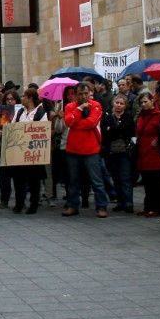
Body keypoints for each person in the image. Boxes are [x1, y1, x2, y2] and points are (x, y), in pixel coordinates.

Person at [62, 82, 109, 218]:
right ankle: (72, 205)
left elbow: (92, 123)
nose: (84, 96)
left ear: (90, 93)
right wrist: (80, 109)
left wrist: (77, 124)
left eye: (86, 93)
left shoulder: (96, 105)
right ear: (76, 95)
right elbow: (69, 122)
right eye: (81, 94)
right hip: (74, 149)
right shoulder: (70, 106)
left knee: (96, 180)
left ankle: (101, 206)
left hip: (91, 149)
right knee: (73, 181)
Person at [9, 87, 48, 213]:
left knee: (34, 180)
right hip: (21, 150)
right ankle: (19, 203)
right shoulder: (20, 111)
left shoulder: (41, 112)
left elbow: (42, 129)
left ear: (30, 98)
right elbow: (13, 125)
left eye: (24, 96)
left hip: (33, 151)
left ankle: (33, 204)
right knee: (18, 179)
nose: (22, 98)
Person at [101, 94, 136, 213]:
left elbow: (128, 129)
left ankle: (128, 202)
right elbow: (105, 133)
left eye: (121, 103)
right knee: (115, 177)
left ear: (125, 106)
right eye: (117, 103)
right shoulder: (108, 118)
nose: (119, 105)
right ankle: (120, 201)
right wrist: (116, 129)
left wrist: (113, 129)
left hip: (125, 151)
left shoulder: (128, 117)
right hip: (111, 151)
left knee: (125, 177)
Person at [134, 90, 160, 217]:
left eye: (145, 102)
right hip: (143, 151)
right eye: (141, 102)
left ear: (152, 101)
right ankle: (148, 206)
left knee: (155, 182)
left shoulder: (159, 115)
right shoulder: (141, 115)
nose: (143, 104)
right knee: (147, 182)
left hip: (154, 152)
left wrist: (157, 140)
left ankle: (157, 208)